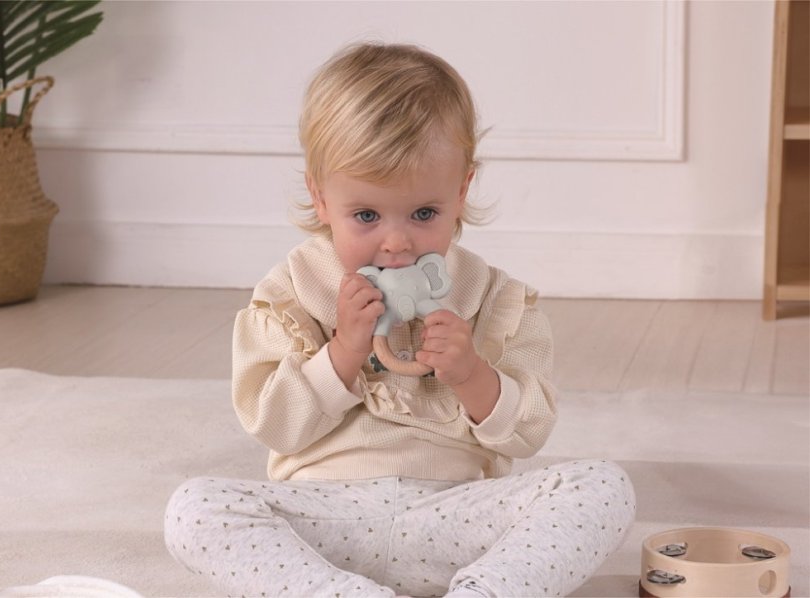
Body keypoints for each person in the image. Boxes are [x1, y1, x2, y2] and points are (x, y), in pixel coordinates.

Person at [164, 42, 635, 598]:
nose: (396, 243)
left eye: (424, 213)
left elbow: (529, 433)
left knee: (603, 485)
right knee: (195, 508)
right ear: (320, 196)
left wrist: (472, 374)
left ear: (461, 190)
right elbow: (274, 426)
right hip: (324, 518)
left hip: (457, 515)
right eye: (366, 215)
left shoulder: (493, 296)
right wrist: (342, 353)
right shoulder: (290, 291)